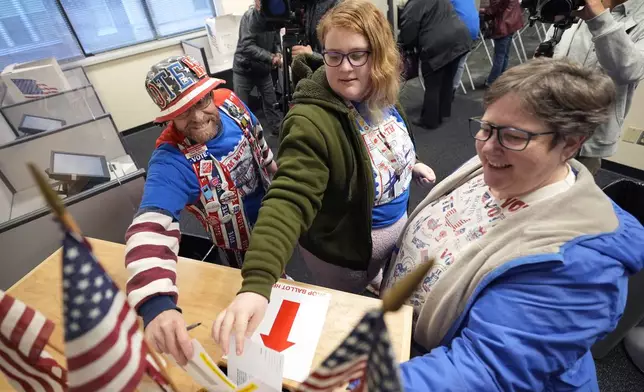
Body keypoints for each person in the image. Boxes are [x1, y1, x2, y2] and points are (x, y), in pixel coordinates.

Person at [380, 58, 644, 390]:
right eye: (486, 127)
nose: (488, 147)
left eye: (514, 136)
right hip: (410, 348)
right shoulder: (499, 167)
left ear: (570, 144)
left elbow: (485, 370)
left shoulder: (578, 268)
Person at [212, 0, 437, 355]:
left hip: (385, 241)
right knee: (344, 318)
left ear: (379, 56)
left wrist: (410, 164)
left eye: (357, 55)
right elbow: (288, 198)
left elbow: (382, 145)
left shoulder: (381, 93)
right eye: (334, 55)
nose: (345, 68)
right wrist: (257, 284)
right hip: (344, 255)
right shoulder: (310, 122)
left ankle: (376, 279)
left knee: (379, 283)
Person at [124, 55, 278, 366]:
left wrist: (278, 181)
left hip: (276, 213)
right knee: (262, 309)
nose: (196, 117)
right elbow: (149, 228)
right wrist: (156, 304)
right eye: (181, 112)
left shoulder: (231, 103)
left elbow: (260, 146)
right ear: (169, 118)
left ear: (211, 93)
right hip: (239, 246)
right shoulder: (170, 159)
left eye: (201, 101)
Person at [550, 0, 644, 174]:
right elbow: (553, 47)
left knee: (570, 197)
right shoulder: (576, 3)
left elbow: (630, 70)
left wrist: (599, 19)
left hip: (588, 139)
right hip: (545, 124)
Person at [398, 0, 472, 129]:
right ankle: (443, 112)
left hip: (437, 43)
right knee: (448, 79)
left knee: (433, 85)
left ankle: (430, 120)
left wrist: (405, 45)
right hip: (459, 38)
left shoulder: (415, 4)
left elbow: (409, 27)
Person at [233, 0, 284, 136]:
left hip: (262, 70)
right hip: (244, 70)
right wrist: (271, 57)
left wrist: (278, 52)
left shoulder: (274, 16)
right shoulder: (249, 17)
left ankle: (278, 130)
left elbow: (276, 41)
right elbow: (247, 45)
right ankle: (244, 137)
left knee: (271, 103)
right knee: (241, 109)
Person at [481, 0, 524, 86]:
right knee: (504, 53)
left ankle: (492, 81)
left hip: (503, 24)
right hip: (512, 22)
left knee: (499, 55)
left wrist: (483, 11)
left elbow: (492, 10)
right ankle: (501, 77)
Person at [449, 0, 480, 93]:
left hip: (461, 33)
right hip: (473, 32)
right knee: (460, 63)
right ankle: (453, 88)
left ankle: (447, 91)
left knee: (448, 63)